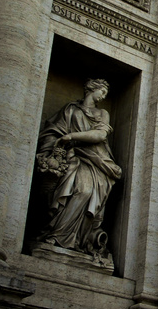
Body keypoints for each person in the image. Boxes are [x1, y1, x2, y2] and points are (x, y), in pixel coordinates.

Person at [35, 79, 122, 259]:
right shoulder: (70, 110)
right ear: (91, 89)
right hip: (71, 156)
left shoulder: (102, 113)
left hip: (96, 160)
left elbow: (100, 134)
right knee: (66, 191)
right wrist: (56, 145)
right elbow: (52, 132)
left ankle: (74, 239)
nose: (104, 96)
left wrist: (70, 136)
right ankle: (56, 235)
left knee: (85, 191)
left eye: (106, 93)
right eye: (102, 91)